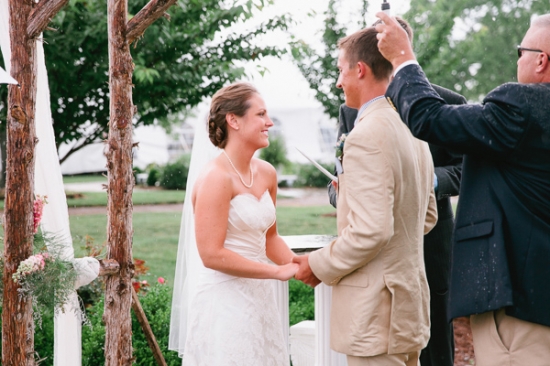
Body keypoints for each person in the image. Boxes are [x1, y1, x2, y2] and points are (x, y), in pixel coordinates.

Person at [376, 12, 550, 366]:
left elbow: (430, 118)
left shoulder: (525, 106)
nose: (518, 58)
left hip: (522, 301)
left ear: (541, 60)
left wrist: (401, 59)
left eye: (521, 50)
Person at [293, 26, 438, 366]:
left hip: (376, 315)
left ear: (360, 69)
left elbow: (371, 231)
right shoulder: (414, 129)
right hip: (408, 307)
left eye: (341, 70)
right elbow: (426, 216)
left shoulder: (364, 136)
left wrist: (317, 264)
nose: (339, 82)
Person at [326, 17, 465, 366]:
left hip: (427, 242)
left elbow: (467, 169)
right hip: (375, 264)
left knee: (436, 341)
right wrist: (343, 189)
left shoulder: (443, 101)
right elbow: (349, 171)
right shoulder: (351, 110)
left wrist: (424, 181)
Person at [169, 82, 298, 365]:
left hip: (260, 300)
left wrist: (300, 265)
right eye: (261, 114)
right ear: (233, 120)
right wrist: (275, 272)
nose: (270, 122)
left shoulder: (266, 173)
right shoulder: (216, 177)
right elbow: (211, 255)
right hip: (224, 303)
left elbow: (270, 238)